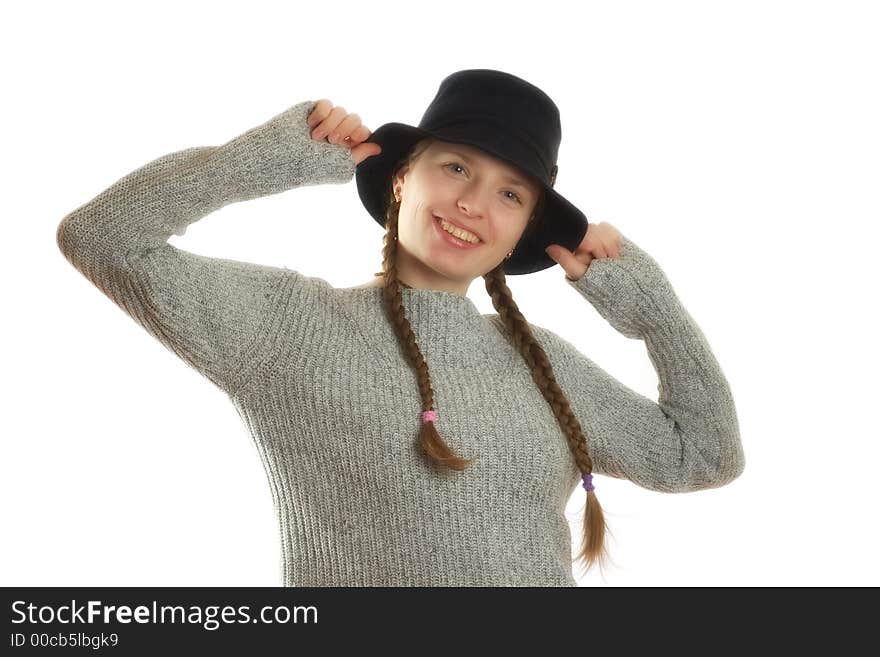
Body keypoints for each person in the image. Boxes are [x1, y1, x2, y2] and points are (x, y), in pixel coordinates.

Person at [56, 69, 745, 586]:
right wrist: (256, 160)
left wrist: (654, 310)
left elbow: (706, 455)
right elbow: (99, 238)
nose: (473, 203)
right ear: (400, 181)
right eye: (455, 167)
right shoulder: (284, 327)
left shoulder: (543, 363)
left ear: (522, 233)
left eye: (510, 193)